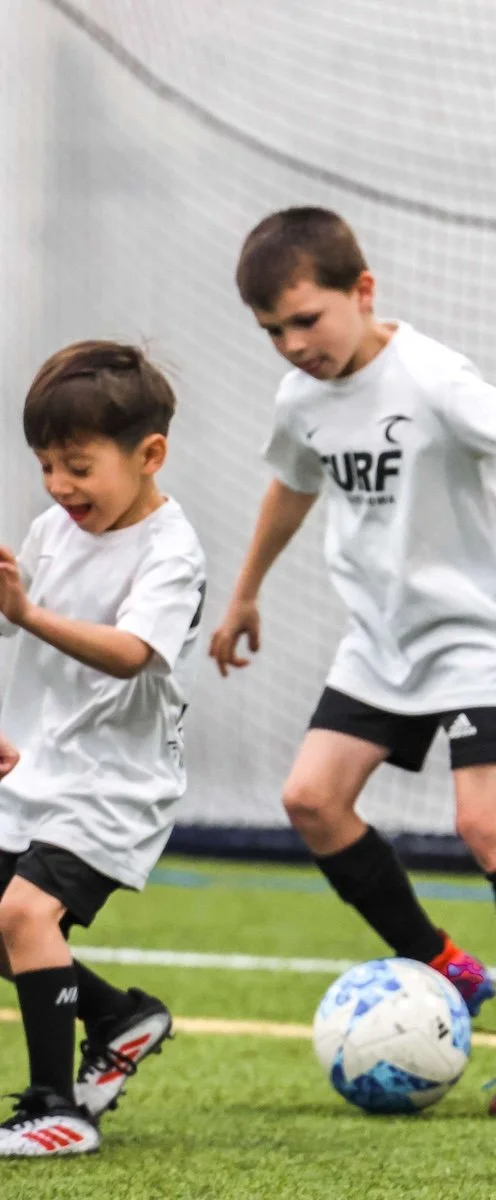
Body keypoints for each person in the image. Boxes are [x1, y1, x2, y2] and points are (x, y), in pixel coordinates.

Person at [210, 207, 496, 1116]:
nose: (294, 345)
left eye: (308, 319)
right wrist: (247, 589)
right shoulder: (300, 401)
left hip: (478, 636)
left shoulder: (433, 378)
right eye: (273, 332)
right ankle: (440, 961)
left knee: (485, 825)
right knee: (312, 800)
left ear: (362, 292)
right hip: (380, 642)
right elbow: (292, 485)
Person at [0, 342, 204, 1155]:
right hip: (40, 766)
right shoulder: (52, 530)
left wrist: (28, 615)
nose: (58, 486)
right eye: (46, 464)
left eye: (77, 466)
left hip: (117, 783)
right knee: (3, 926)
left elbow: (130, 651)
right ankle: (119, 1016)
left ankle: (56, 1108)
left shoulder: (171, 551)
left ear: (149, 454)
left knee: (23, 911)